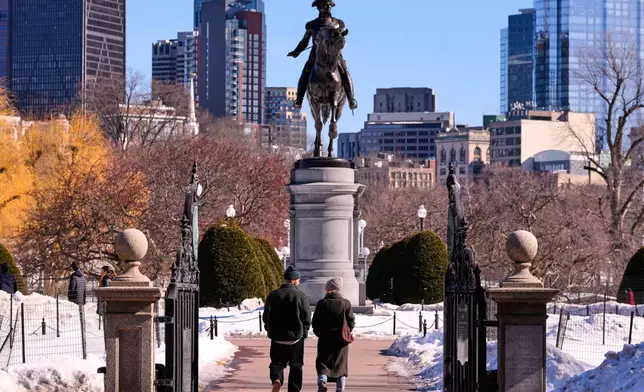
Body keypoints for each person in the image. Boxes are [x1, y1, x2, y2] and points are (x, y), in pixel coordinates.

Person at [288, 0, 357, 111]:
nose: (327, 8)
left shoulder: (339, 23)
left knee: (344, 72)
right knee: (305, 72)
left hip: (334, 55)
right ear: (319, 8)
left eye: (329, 6)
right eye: (325, 6)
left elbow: (341, 40)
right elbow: (304, 41)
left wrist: (338, 38)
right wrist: (296, 51)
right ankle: (299, 99)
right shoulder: (311, 25)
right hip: (315, 55)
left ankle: (351, 99)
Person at [263, 266, 312, 392]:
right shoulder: (301, 296)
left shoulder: (273, 295)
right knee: (296, 365)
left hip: (277, 337)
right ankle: (294, 390)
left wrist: (269, 330)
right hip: (296, 338)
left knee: (277, 363)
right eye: (298, 279)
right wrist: (304, 332)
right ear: (294, 280)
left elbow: (266, 316)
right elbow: (306, 318)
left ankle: (276, 380)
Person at [312, 278, 355, 392]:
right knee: (341, 366)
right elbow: (351, 321)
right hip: (341, 340)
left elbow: (315, 321)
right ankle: (340, 389)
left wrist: (319, 333)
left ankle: (322, 382)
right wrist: (347, 331)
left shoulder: (322, 303)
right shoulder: (346, 303)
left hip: (325, 338)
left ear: (330, 289)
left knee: (323, 363)